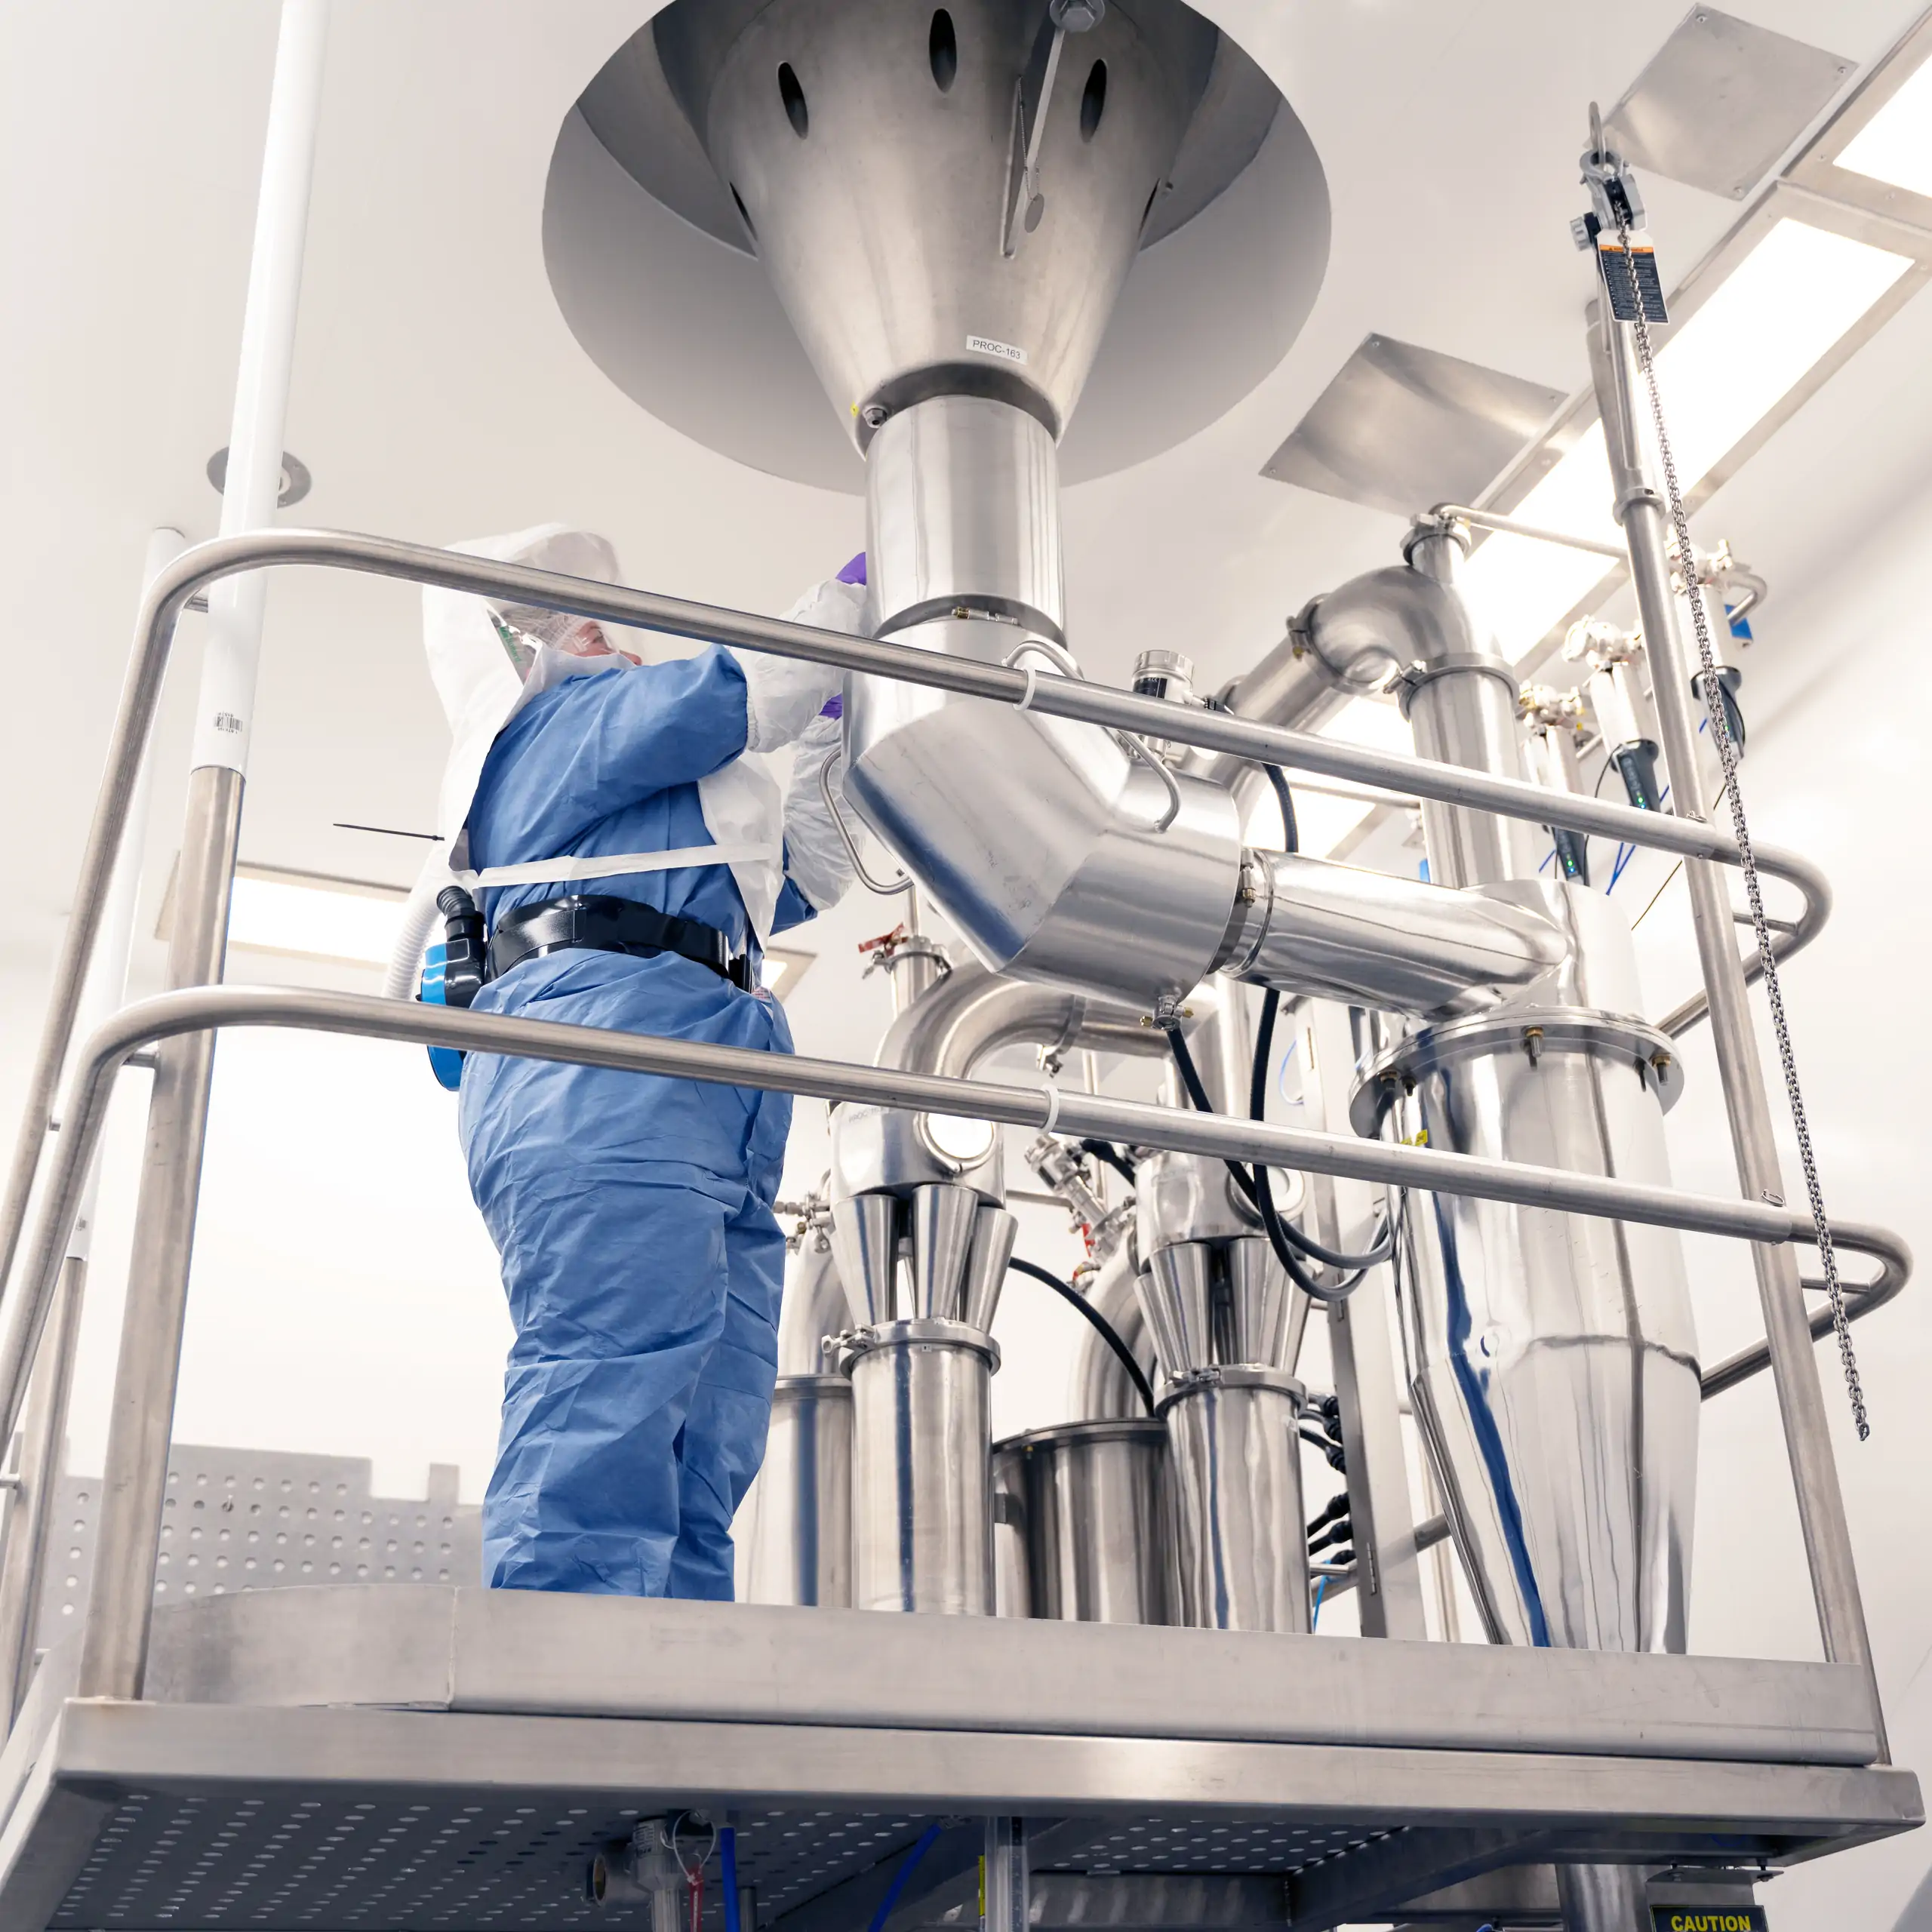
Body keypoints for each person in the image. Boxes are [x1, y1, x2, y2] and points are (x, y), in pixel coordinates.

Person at [397, 525, 864, 1598]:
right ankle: (562, 1713)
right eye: (570, 615)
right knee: (612, 1385)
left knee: (712, 1421)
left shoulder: (652, 819)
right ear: (529, 649)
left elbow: (809, 864)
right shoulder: (555, 727)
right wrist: (863, 596)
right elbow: (741, 692)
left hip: (710, 1086)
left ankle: (670, 1697)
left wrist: (855, 723)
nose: (605, 627)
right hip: (606, 1074)